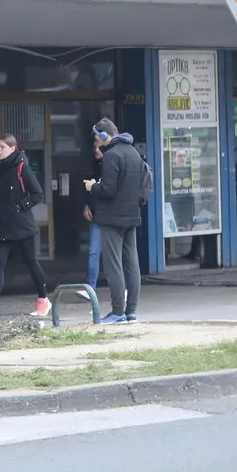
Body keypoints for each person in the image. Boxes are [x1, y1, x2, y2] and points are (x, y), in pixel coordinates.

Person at [0, 135, 51, 319]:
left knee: (31, 262)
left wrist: (20, 207)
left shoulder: (21, 166)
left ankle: (43, 299)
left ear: (12, 148)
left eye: (2, 147)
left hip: (22, 225)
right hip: (2, 226)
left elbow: (37, 193)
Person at [85, 118, 146, 324]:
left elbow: (108, 189)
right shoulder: (134, 153)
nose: (96, 142)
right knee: (132, 263)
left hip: (112, 218)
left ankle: (118, 311)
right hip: (131, 216)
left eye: (97, 137)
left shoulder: (111, 156)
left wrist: (93, 186)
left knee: (114, 265)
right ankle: (131, 311)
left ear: (104, 136)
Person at [83, 141, 104, 290]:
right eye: (94, 147)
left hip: (111, 215)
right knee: (93, 252)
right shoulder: (92, 166)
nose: (96, 151)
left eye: (99, 148)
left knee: (114, 254)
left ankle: (121, 287)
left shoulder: (112, 164)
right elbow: (85, 189)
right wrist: (86, 205)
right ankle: (90, 288)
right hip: (96, 214)